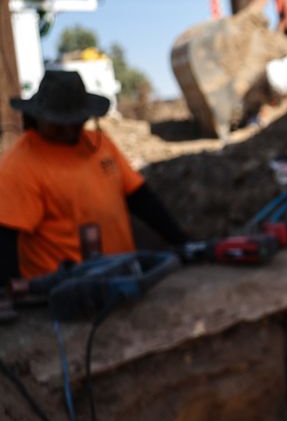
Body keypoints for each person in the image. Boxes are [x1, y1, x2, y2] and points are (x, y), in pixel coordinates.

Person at [0, 70, 188, 282]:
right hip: (65, 293)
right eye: (59, 125)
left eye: (76, 122)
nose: (70, 132)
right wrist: (14, 292)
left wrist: (181, 241)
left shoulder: (99, 144)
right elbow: (4, 239)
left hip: (124, 277)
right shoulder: (19, 165)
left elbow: (139, 197)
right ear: (38, 117)